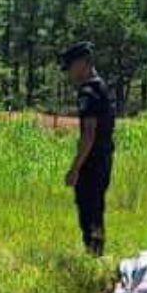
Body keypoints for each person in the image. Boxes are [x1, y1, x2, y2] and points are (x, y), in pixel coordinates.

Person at [60, 41, 116, 255]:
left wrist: (75, 169)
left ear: (83, 63)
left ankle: (93, 259)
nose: (70, 73)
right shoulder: (101, 86)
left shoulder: (88, 92)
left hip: (92, 164)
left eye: (71, 67)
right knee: (97, 212)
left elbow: (89, 134)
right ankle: (97, 256)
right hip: (104, 159)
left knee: (89, 214)